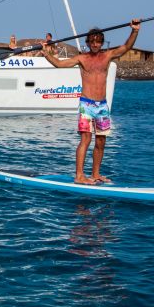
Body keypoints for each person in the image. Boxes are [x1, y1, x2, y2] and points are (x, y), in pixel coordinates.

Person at [42, 19, 142, 185]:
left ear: (102, 42)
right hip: (86, 105)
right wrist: (47, 54)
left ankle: (96, 174)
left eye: (98, 41)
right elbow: (59, 64)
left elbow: (126, 47)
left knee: (101, 141)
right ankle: (79, 176)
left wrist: (135, 31)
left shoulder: (108, 56)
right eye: (92, 41)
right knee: (86, 139)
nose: (95, 44)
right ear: (88, 42)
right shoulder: (82, 58)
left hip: (102, 106)